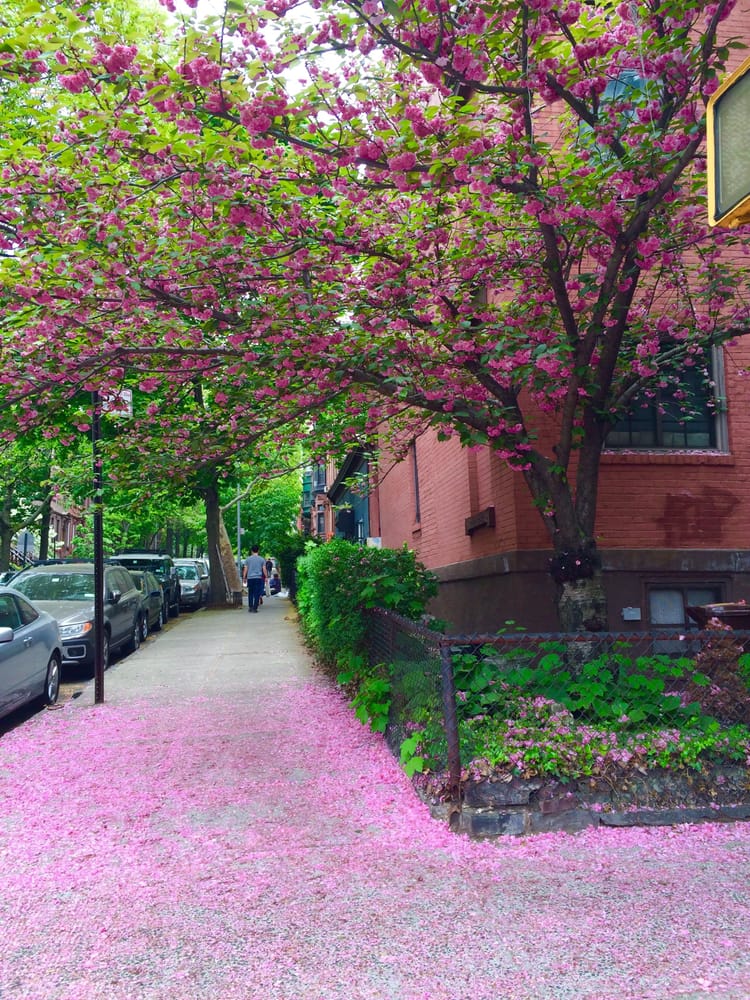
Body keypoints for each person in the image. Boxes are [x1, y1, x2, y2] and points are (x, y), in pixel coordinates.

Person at [242, 544, 267, 613]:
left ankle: (250, 607)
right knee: (257, 593)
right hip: (258, 578)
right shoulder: (262, 559)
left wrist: (244, 577)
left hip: (250, 578)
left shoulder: (248, 559)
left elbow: (245, 569)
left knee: (250, 593)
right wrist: (266, 577)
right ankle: (255, 608)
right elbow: (264, 569)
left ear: (251, 551)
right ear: (258, 550)